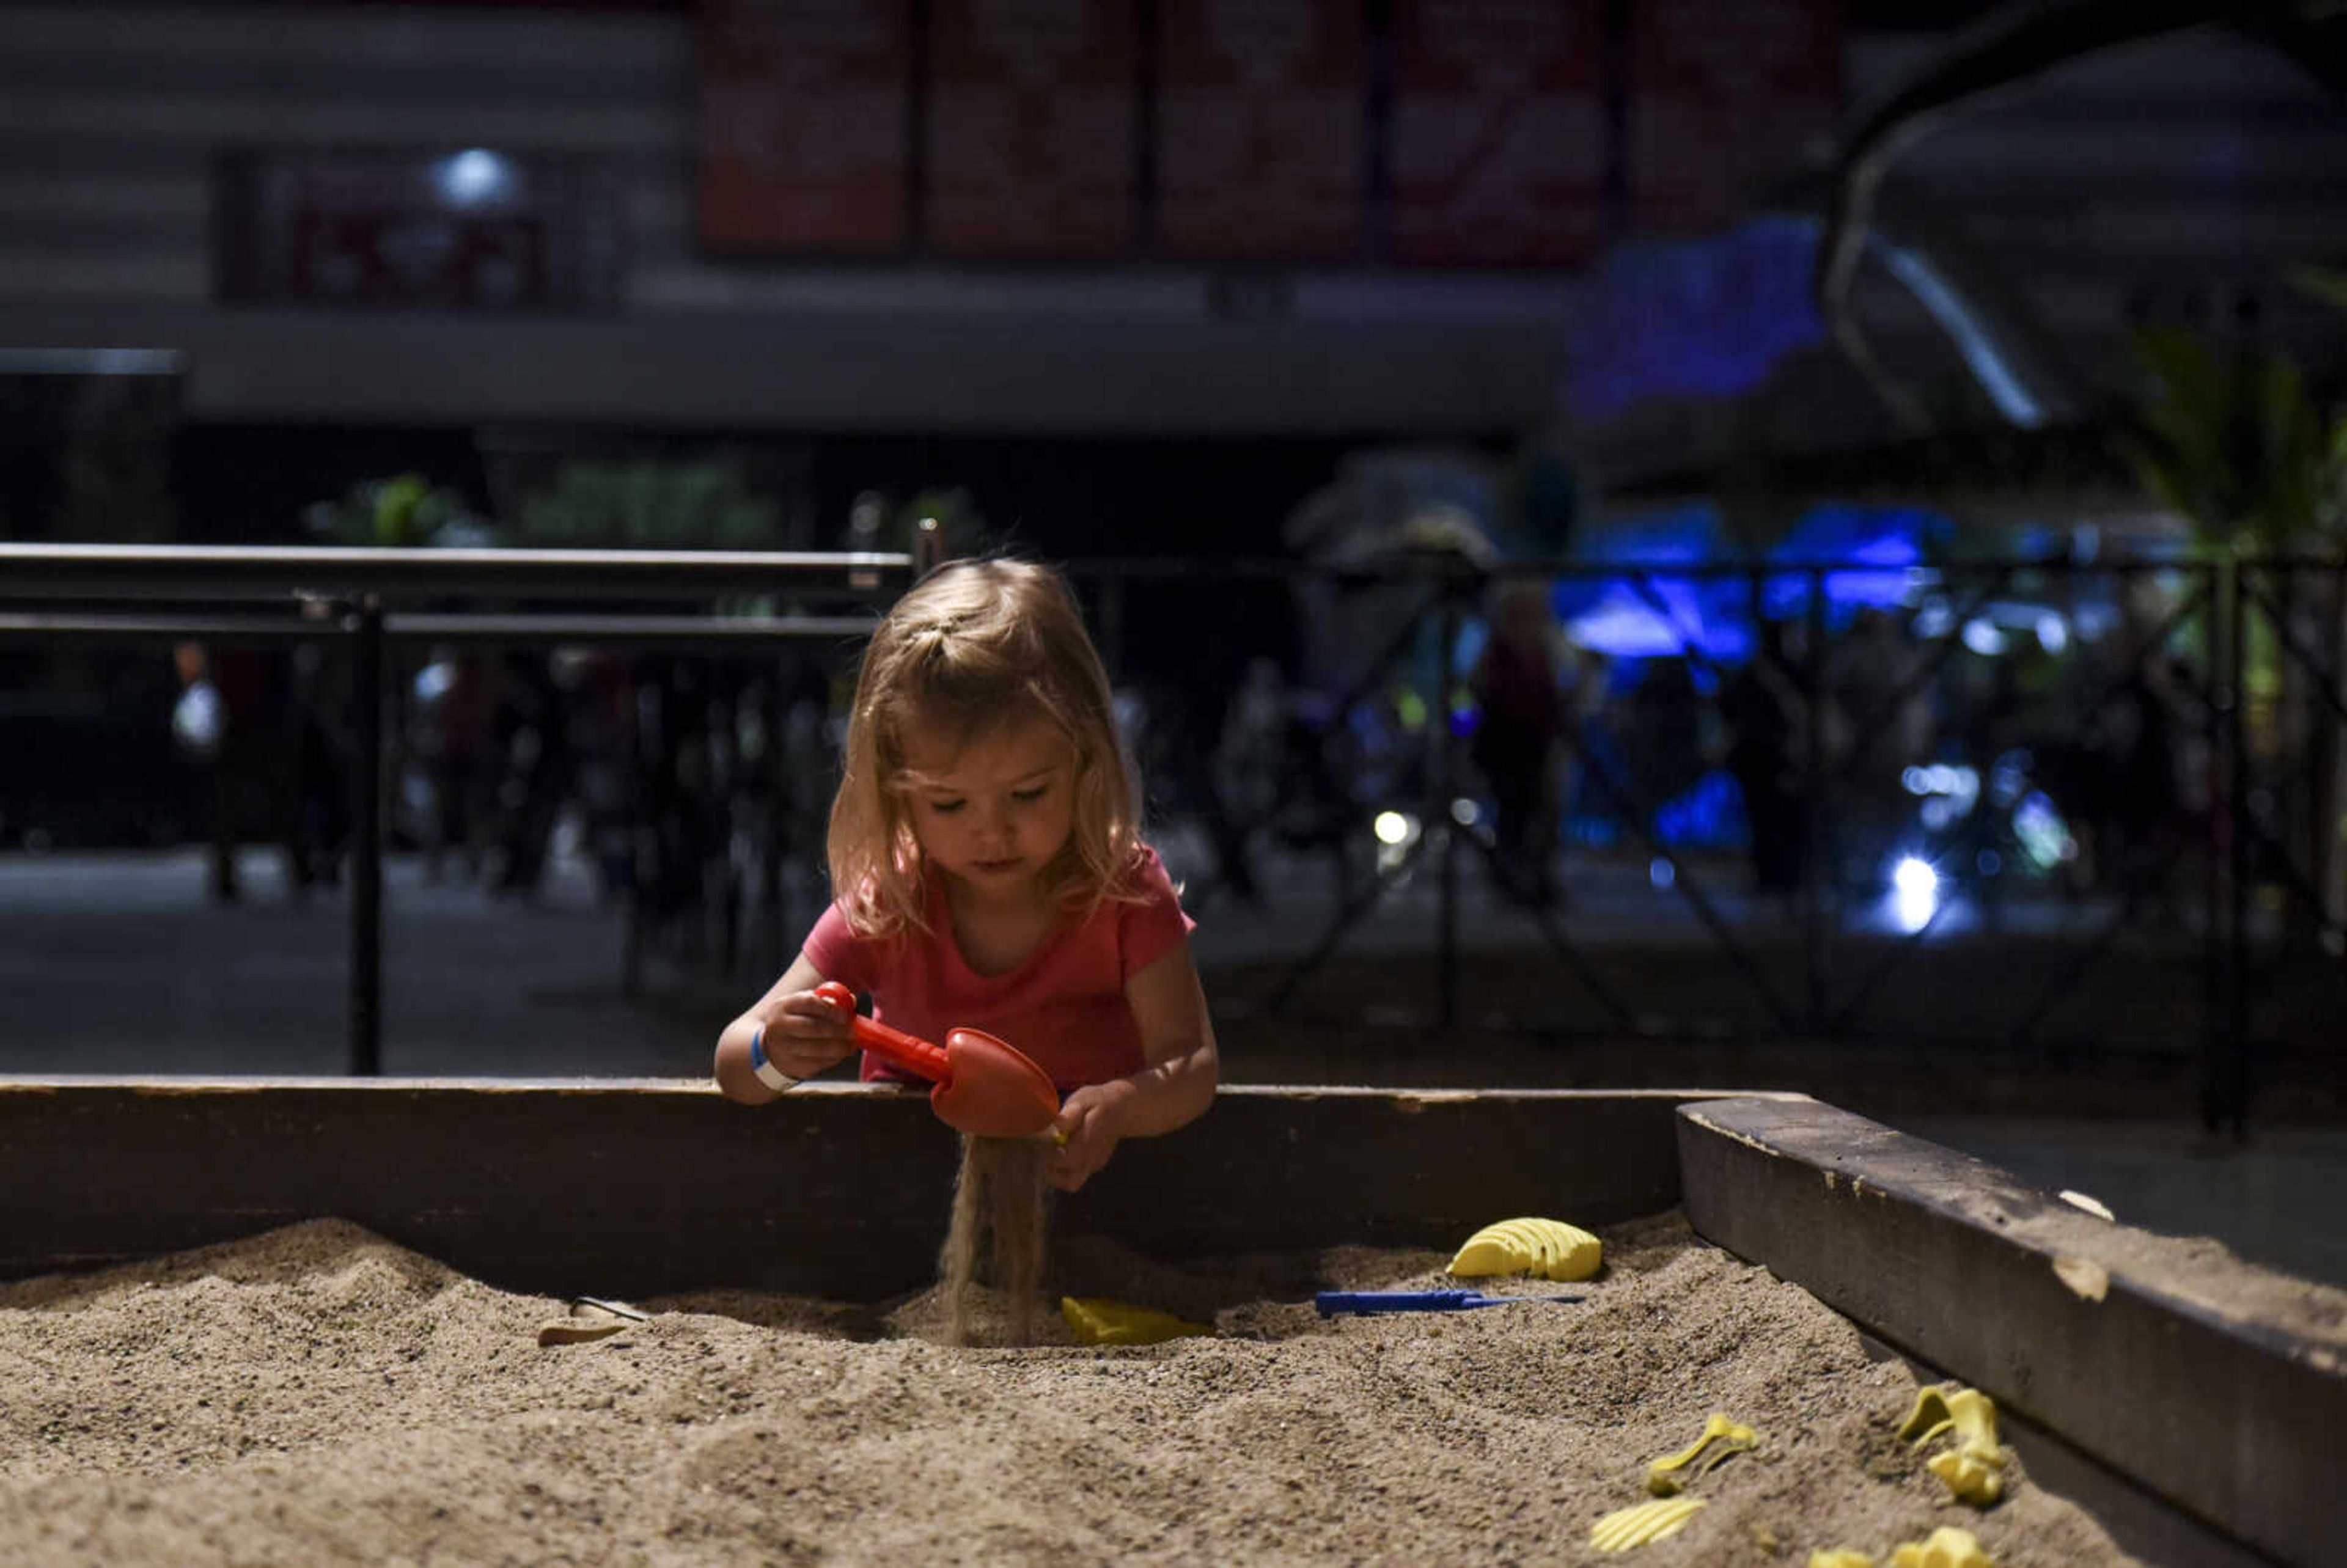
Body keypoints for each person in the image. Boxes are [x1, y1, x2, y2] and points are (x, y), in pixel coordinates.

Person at [712, 558, 1219, 1193]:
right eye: (949, 804)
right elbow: (735, 1066)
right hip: (909, 1211)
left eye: (1028, 794)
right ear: (897, 793)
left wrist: (1123, 1105)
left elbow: (1192, 1064)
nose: (992, 831)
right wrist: (777, 1056)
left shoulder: (1121, 896)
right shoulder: (891, 906)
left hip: (1092, 1198)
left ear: (1085, 761)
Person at [1469, 579, 1568, 907]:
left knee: (1540, 812)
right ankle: (1513, 882)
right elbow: (1485, 689)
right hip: (1509, 745)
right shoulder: (1500, 650)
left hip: (1537, 743)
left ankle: (1534, 881)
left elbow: (1556, 690)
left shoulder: (1544, 648)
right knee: (1515, 815)